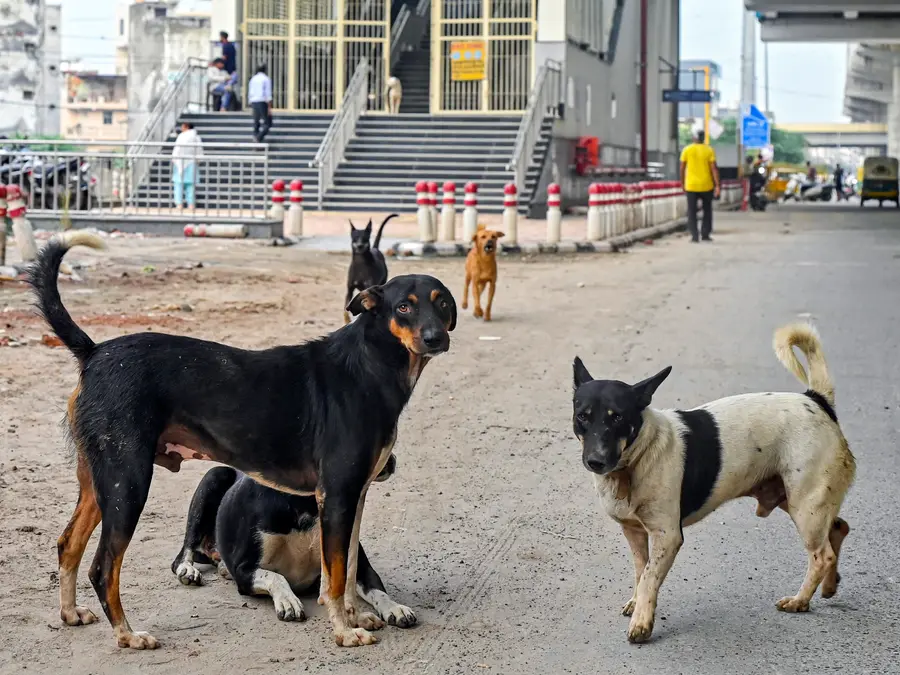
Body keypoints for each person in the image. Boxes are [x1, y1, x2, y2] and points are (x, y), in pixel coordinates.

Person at [679, 130, 720, 242]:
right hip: (707, 185)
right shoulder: (709, 150)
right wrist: (717, 185)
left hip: (691, 186)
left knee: (691, 211)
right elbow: (713, 169)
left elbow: (682, 168)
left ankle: (694, 235)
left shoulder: (687, 150)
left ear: (694, 138)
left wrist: (682, 183)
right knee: (707, 210)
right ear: (703, 139)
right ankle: (705, 234)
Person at [171, 122, 203, 209]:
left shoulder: (181, 136)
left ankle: (179, 204)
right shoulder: (196, 137)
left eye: (183, 126)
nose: (182, 128)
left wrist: (174, 159)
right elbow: (199, 149)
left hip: (180, 162)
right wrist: (199, 160)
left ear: (187, 127)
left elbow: (177, 149)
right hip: (192, 162)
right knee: (191, 185)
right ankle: (191, 204)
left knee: (178, 184)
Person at [248, 63, 273, 143]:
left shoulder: (253, 79)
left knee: (256, 122)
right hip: (262, 101)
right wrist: (269, 106)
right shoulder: (266, 79)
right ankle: (258, 137)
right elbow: (267, 93)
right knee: (268, 123)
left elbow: (250, 92)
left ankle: (256, 138)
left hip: (254, 101)